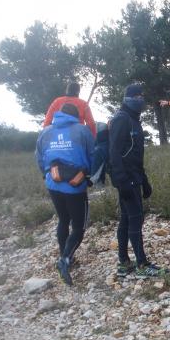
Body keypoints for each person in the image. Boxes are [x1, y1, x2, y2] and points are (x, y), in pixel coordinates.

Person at [35, 103, 95, 286]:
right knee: (79, 227)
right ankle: (65, 260)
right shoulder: (82, 130)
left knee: (63, 220)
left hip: (53, 182)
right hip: (75, 185)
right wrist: (90, 174)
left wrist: (45, 175)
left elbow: (39, 157)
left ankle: (65, 255)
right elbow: (92, 154)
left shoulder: (45, 132)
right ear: (76, 116)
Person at [109, 83, 164, 278]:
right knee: (135, 219)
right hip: (126, 179)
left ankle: (124, 263)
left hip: (135, 177)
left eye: (142, 96)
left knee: (126, 219)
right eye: (137, 96)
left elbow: (135, 155)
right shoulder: (121, 119)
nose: (141, 99)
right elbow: (114, 152)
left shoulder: (133, 120)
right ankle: (142, 264)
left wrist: (145, 179)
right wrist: (121, 180)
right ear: (128, 98)